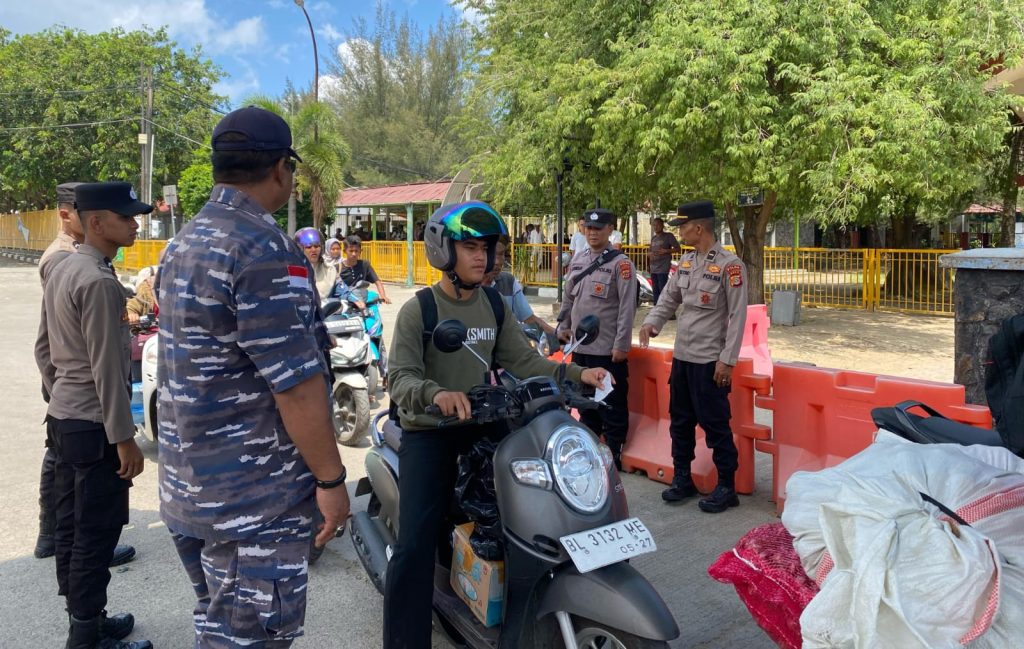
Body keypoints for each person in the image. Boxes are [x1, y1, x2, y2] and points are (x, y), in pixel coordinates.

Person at [155, 106, 350, 648]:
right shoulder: (263, 249)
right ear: (282, 168)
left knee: (219, 629)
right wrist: (332, 482)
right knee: (250, 640)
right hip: (254, 502)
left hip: (191, 489)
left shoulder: (185, 242)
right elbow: (297, 387)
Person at [383, 202, 609, 649]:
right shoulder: (419, 310)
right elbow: (400, 378)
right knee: (414, 546)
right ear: (444, 251)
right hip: (431, 431)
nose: (481, 256)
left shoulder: (493, 303)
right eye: (470, 247)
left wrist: (577, 373)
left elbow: (524, 360)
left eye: (486, 248)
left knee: (529, 507)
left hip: (482, 421)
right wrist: (436, 394)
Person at [35, 181, 153, 649]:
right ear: (98, 223)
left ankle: (86, 619)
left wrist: (62, 395)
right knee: (96, 533)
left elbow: (43, 349)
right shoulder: (100, 282)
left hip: (66, 418)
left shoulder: (63, 267)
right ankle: (86, 636)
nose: (135, 224)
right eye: (126, 217)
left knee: (71, 527)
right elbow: (107, 368)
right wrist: (124, 438)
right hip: (95, 425)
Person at [638, 200, 748, 513]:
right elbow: (668, 297)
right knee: (681, 421)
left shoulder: (730, 266)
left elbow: (738, 317)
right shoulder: (686, 262)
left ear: (698, 228)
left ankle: (726, 486)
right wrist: (651, 322)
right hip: (684, 358)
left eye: (683, 226)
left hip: (710, 361)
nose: (679, 232)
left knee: (715, 424)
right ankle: (683, 478)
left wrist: (728, 360)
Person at [556, 208, 637, 469]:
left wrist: (621, 345)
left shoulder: (621, 264)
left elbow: (627, 308)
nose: (592, 233)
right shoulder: (578, 259)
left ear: (610, 230)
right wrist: (563, 326)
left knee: (611, 405)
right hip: (580, 348)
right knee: (585, 403)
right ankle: (590, 451)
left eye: (598, 228)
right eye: (589, 228)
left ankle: (614, 454)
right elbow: (569, 297)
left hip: (606, 350)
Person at [484, 236, 557, 339]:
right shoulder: (466, 287)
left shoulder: (509, 282)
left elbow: (528, 318)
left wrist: (556, 334)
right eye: (491, 254)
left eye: (501, 254)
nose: (497, 261)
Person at [337, 235, 391, 304]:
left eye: (356, 251)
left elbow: (377, 281)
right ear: (345, 251)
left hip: (362, 299)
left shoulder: (365, 265)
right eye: (351, 251)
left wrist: (383, 296)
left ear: (360, 251)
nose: (354, 254)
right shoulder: (338, 268)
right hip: (345, 302)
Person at [295, 226, 340, 299]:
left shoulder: (330, 270)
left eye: (316, 246)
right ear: (300, 249)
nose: (313, 250)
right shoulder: (293, 271)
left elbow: (343, 290)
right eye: (308, 247)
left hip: (325, 306)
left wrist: (355, 300)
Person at [648, 217, 681, 305]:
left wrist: (666, 251)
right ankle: (656, 308)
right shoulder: (653, 238)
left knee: (662, 289)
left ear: (662, 226)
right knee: (655, 290)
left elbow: (678, 249)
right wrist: (649, 254)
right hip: (653, 267)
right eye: (654, 225)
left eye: (658, 225)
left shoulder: (668, 236)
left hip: (663, 267)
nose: (656, 227)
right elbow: (649, 251)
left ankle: (664, 308)